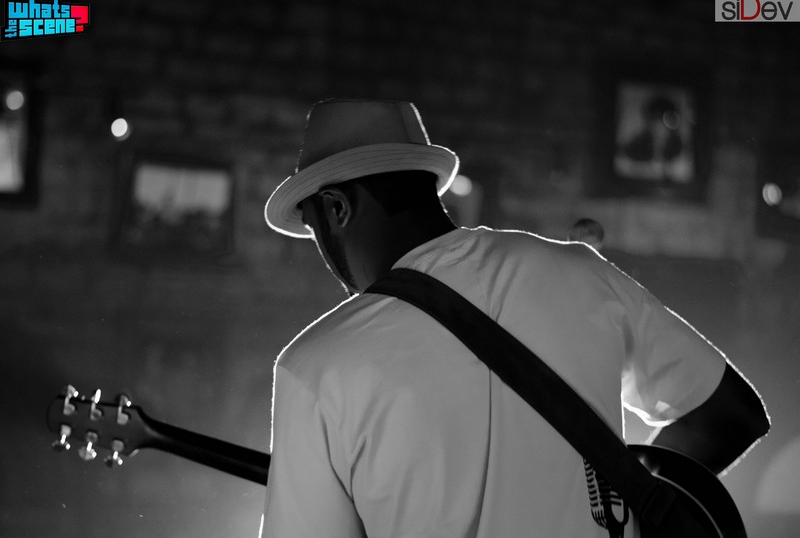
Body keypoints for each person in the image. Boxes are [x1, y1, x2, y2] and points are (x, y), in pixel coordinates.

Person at [260, 99, 769, 538]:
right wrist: (626, 500)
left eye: (314, 226)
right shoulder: (579, 274)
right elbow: (729, 416)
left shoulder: (314, 366)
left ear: (337, 208)